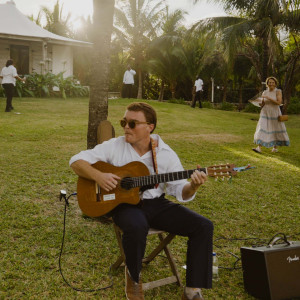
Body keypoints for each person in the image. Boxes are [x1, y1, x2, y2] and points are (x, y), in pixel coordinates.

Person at [70, 102, 213, 300]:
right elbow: (76, 161)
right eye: (124, 122)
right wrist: (98, 176)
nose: (126, 127)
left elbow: (181, 191)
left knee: (203, 226)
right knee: (137, 226)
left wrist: (194, 186)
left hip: (156, 204)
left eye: (132, 123)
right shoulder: (115, 145)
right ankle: (134, 281)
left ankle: (192, 290)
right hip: (125, 206)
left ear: (150, 127)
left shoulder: (165, 154)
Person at [252, 76, 290, 153]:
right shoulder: (264, 92)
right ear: (267, 84)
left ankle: (275, 148)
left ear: (275, 84)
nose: (271, 84)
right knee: (262, 127)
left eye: (273, 82)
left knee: (275, 128)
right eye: (269, 82)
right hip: (265, 112)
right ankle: (259, 147)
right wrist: (258, 102)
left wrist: (268, 98)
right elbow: (263, 103)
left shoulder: (278, 91)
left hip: (274, 112)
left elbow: (279, 102)